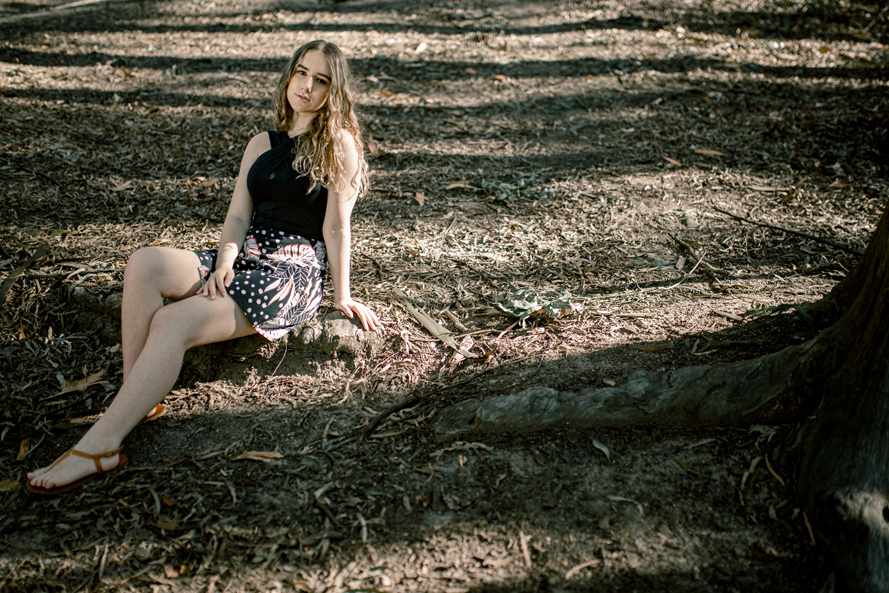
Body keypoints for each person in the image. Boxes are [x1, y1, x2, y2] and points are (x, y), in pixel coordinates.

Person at [27, 40, 381, 494]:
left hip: (288, 275)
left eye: (321, 81)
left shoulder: (339, 145)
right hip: (246, 254)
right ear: (290, 76)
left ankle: (102, 444)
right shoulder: (261, 144)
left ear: (334, 91)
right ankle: (138, 399)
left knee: (173, 322)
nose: (307, 87)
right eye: (301, 73)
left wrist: (342, 296)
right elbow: (237, 215)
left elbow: (336, 228)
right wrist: (226, 261)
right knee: (145, 263)